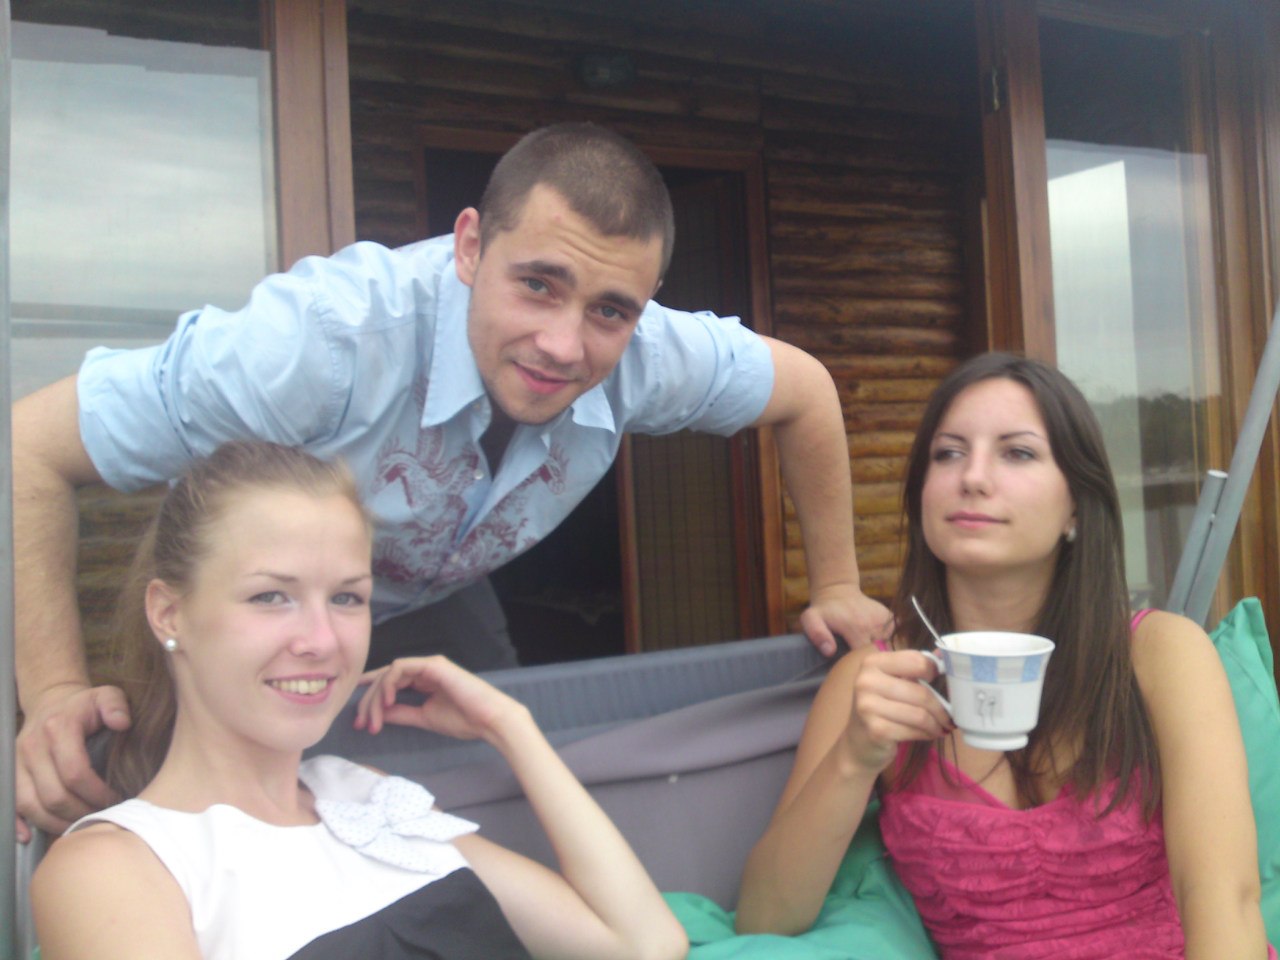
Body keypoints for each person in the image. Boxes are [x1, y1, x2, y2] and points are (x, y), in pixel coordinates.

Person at [12, 120, 892, 840]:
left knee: (493, 777)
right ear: (470, 247)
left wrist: (838, 585)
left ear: (647, 299)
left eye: (609, 309)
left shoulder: (650, 353)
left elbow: (806, 392)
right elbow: (28, 448)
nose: (563, 345)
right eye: (537, 285)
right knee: (197, 818)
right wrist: (51, 690)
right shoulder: (319, 340)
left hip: (432, 588)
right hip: (250, 600)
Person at [30, 440, 689, 960]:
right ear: (169, 613)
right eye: (271, 596)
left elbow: (642, 945)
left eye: (347, 597)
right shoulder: (122, 867)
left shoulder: (363, 797)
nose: (322, 641)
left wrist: (510, 725)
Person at [733, 353, 1273, 958]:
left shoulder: (1160, 655)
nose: (973, 477)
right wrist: (853, 760)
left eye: (1017, 453)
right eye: (948, 453)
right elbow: (766, 916)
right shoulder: (877, 680)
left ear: (1076, 505)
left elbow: (1224, 901)